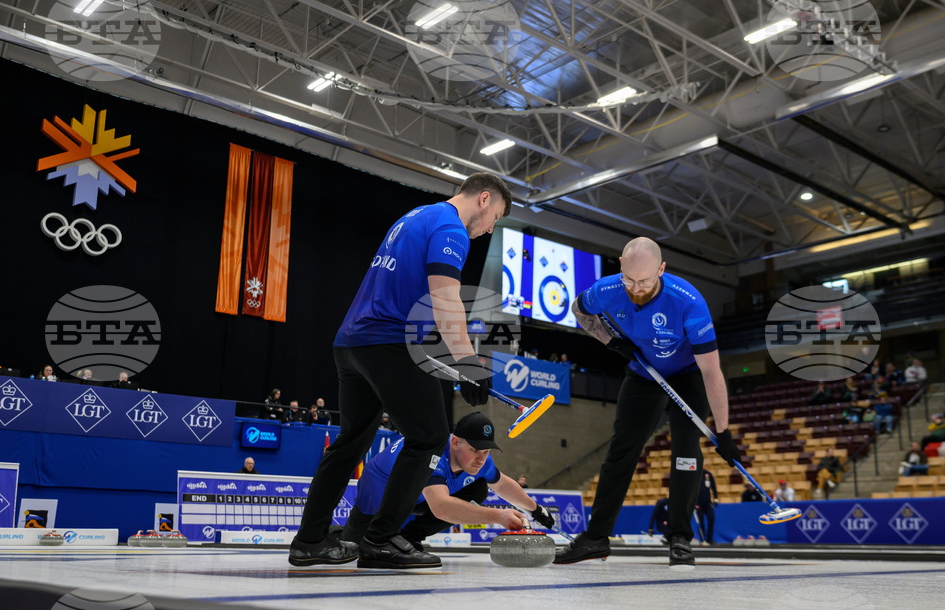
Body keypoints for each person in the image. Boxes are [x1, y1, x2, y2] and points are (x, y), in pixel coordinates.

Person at [288, 173, 511, 570]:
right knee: (429, 437)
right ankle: (381, 539)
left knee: (351, 441)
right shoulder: (451, 229)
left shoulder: (414, 216)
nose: (491, 227)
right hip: (387, 342)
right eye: (495, 216)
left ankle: (309, 541)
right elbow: (446, 301)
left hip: (352, 342)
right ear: (482, 199)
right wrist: (470, 363)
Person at [554, 237, 739, 569]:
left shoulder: (688, 303)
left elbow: (711, 371)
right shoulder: (607, 289)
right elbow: (579, 310)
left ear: (661, 270)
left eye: (646, 281)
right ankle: (596, 538)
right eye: (630, 279)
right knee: (621, 450)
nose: (636, 289)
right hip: (643, 372)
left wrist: (723, 432)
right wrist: (611, 342)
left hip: (687, 374)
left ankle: (680, 537)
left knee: (686, 450)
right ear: (621, 265)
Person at [341, 413, 552, 550]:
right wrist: (499, 516)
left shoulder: (480, 462)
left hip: (419, 497)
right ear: (455, 442)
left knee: (478, 489)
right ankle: (338, 532)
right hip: (381, 492)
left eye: (486, 451)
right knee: (351, 546)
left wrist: (536, 510)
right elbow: (441, 507)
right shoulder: (433, 452)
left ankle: (410, 536)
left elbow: (503, 484)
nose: (481, 458)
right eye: (474, 449)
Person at [695, 468, 718, 545]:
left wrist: (715, 498)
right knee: (700, 521)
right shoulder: (694, 474)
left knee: (711, 519)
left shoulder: (707, 474)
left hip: (708, 502)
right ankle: (703, 539)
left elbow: (713, 486)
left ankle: (709, 538)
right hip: (698, 504)